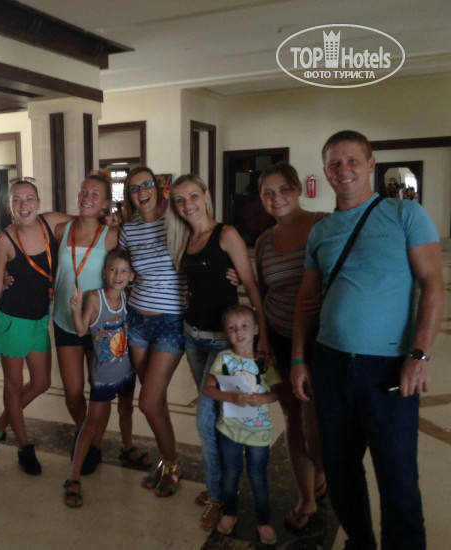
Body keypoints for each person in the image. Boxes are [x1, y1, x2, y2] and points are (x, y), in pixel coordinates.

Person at [292, 130, 444, 549]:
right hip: (330, 363)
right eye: (334, 163)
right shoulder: (321, 231)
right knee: (340, 470)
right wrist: (299, 360)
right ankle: (359, 542)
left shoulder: (405, 215)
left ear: (371, 165)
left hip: (389, 368)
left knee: (397, 476)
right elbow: (306, 300)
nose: (344, 170)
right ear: (325, 171)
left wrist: (419, 355)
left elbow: (433, 285)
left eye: (352, 161)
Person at [166, 173, 270, 528]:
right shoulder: (186, 237)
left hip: (223, 342)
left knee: (205, 416)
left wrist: (261, 334)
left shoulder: (226, 234)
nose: (188, 204)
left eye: (193, 196)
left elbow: (250, 284)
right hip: (193, 336)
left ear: (206, 195)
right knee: (216, 415)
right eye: (180, 200)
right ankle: (224, 485)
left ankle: (217, 495)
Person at [52, 170, 148, 475]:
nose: (86, 198)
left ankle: (91, 442)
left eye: (95, 194)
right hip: (66, 320)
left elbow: (135, 261)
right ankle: (88, 433)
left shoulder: (111, 234)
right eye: (83, 191)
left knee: (99, 388)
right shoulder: (62, 229)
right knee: (72, 392)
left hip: (100, 324)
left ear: (106, 202)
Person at [254, 161, 328, 530]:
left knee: (316, 432)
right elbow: (262, 292)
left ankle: (322, 471)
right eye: (268, 193)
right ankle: (306, 499)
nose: (276, 198)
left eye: (283, 189)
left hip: (321, 343)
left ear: (298, 189)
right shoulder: (263, 242)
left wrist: (325, 297)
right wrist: (264, 337)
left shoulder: (323, 224)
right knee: (292, 420)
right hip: (281, 339)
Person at [0, 178, 70, 475]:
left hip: (39, 319)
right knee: (14, 384)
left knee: (42, 382)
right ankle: (24, 447)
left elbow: (83, 222)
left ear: (38, 202)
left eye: (29, 198)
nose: (24, 205)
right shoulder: (4, 240)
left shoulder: (50, 223)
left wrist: (111, 219)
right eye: (17, 200)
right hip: (12, 320)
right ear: (10, 207)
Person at [118, 166, 187, 497]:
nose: (141, 191)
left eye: (146, 185)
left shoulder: (176, 221)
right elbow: (118, 268)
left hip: (170, 323)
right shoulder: (128, 232)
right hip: (137, 322)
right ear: (129, 197)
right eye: (134, 188)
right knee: (156, 399)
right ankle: (168, 461)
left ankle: (173, 463)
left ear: (158, 189)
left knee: (146, 402)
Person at [64, 249, 137, 507]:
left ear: (131, 276)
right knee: (92, 424)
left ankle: (127, 447)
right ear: (105, 273)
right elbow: (81, 330)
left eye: (124, 271)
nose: (118, 275)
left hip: (127, 371)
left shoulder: (128, 297)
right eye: (113, 270)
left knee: (126, 410)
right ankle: (73, 476)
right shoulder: (95, 298)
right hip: (103, 375)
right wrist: (76, 309)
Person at [202, 304, 280, 546]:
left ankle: (263, 521)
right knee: (230, 474)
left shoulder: (264, 361)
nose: (239, 332)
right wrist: (230, 397)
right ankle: (229, 513)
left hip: (259, 432)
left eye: (245, 326)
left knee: (258, 477)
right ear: (226, 332)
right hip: (230, 430)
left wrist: (263, 398)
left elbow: (277, 391)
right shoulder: (224, 358)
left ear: (256, 329)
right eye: (232, 328)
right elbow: (208, 388)